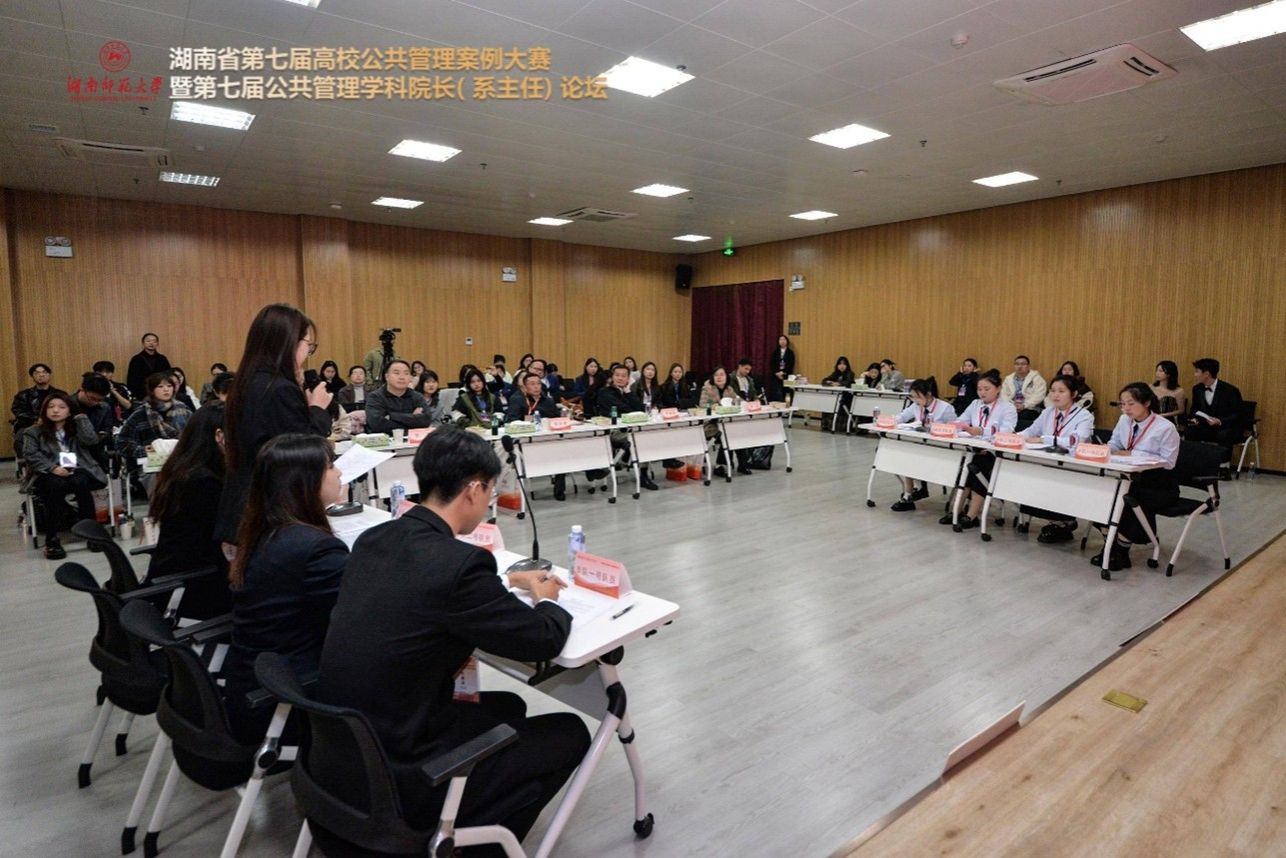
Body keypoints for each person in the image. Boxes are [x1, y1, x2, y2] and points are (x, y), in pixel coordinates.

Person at [316, 428, 590, 852]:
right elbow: (542, 639)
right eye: (490, 490)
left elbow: (423, 593)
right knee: (571, 731)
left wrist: (504, 581)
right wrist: (547, 599)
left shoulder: (376, 538)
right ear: (474, 489)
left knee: (508, 706)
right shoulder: (460, 564)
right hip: (405, 772)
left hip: (342, 753)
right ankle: (473, 846)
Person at [222, 434, 348, 743]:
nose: (340, 473)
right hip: (284, 702)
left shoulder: (265, 531)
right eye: (331, 466)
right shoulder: (314, 548)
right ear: (305, 481)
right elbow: (358, 615)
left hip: (251, 685)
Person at [215, 303, 333, 546]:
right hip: (267, 514)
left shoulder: (247, 383)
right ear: (288, 343)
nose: (308, 352)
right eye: (308, 343)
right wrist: (317, 410)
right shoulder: (278, 389)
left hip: (242, 505)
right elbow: (303, 451)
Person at [146, 403, 231, 619]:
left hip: (181, 574)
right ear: (220, 436)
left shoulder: (186, 469)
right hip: (193, 586)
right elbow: (229, 530)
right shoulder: (201, 482)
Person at [1096, 382, 1182, 571]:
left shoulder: (1165, 428)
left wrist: (1133, 454)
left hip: (1158, 484)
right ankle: (1111, 545)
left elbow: (1169, 462)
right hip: (1128, 478)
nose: (1126, 409)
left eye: (1131, 403)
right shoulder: (1124, 420)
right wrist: (1105, 449)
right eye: (1123, 404)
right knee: (1100, 493)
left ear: (1147, 403)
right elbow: (1115, 443)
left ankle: (1121, 549)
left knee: (1129, 499)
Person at [19, 393, 107, 559]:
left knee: (81, 481)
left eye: (61, 407)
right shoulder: (33, 432)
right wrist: (52, 468)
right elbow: (30, 454)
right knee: (57, 485)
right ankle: (52, 538)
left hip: (76, 469)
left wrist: (80, 417)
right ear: (44, 410)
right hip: (46, 472)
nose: (55, 411)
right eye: (51, 407)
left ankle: (92, 533)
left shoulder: (75, 428)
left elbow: (91, 440)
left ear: (69, 411)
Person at [1019, 375, 1097, 543]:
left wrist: (1045, 439)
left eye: (1061, 391)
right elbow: (1031, 431)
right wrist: (1015, 437)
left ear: (1073, 394)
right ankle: (1057, 522)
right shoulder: (1048, 412)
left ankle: (1063, 522)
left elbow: (1076, 441)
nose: (1056, 395)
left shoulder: (1084, 415)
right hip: (1047, 461)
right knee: (1030, 480)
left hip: (1072, 465)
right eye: (1053, 391)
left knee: (1054, 482)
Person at [943, 371, 1016, 529]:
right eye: (979, 389)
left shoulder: (1007, 407)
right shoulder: (975, 404)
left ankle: (972, 515)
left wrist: (982, 431)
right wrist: (954, 426)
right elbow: (962, 421)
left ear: (998, 388)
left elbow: (1007, 431)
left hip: (995, 454)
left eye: (986, 389)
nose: (982, 392)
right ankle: (956, 511)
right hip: (974, 449)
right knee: (964, 466)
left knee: (978, 467)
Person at [117, 372, 193, 493]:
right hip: (152, 463)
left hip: (180, 459)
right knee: (157, 480)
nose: (166, 389)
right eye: (160, 386)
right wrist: (145, 450)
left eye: (169, 386)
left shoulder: (184, 410)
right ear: (152, 391)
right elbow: (122, 442)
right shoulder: (141, 413)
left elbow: (196, 436)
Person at [889, 378, 957, 511]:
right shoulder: (916, 405)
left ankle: (917, 489)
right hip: (921, 445)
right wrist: (889, 421)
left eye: (918, 397)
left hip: (940, 448)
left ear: (929, 395)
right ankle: (910, 493)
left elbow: (955, 429)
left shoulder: (945, 408)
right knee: (906, 456)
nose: (915, 400)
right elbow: (902, 417)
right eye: (913, 397)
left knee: (912, 456)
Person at [599, 364, 658, 490]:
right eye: (617, 375)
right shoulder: (605, 393)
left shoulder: (627, 392)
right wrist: (633, 408)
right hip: (613, 432)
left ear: (628, 379)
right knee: (642, 439)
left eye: (623, 376)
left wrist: (629, 393)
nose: (620, 378)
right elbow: (624, 410)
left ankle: (642, 474)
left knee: (646, 436)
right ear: (612, 377)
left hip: (630, 430)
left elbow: (641, 409)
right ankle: (639, 472)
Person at [700, 367, 751, 475]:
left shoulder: (729, 389)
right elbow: (703, 404)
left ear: (726, 377)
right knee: (728, 433)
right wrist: (713, 406)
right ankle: (721, 465)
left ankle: (742, 464)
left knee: (738, 431)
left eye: (722, 374)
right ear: (713, 377)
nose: (719, 377)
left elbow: (738, 400)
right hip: (710, 424)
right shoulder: (707, 388)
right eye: (716, 375)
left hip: (726, 423)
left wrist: (745, 403)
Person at [1184, 358, 1243, 451]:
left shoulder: (1230, 390)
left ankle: (1223, 460)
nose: (1195, 375)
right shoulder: (1197, 389)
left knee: (1224, 435)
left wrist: (1220, 421)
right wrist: (1194, 418)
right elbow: (1194, 408)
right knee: (1190, 431)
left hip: (1225, 427)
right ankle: (1193, 458)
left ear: (1207, 374)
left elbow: (1238, 414)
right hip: (1205, 426)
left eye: (1197, 371)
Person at [366, 360, 435, 434]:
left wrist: (391, 416)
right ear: (387, 377)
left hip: (412, 439)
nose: (402, 377)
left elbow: (426, 421)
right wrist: (412, 418)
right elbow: (377, 425)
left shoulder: (417, 396)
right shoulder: (375, 397)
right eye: (397, 373)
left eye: (406, 373)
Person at [11, 363, 65, 436]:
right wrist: (36, 419)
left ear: (49, 375)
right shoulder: (23, 395)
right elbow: (19, 412)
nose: (41, 375)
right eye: (37, 373)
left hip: (55, 423)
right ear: (32, 377)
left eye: (44, 372)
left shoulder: (60, 394)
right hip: (30, 425)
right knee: (21, 434)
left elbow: (66, 410)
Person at [73, 374, 115, 465]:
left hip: (96, 454)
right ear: (82, 389)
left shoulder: (104, 407)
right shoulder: (66, 405)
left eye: (99, 400)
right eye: (92, 398)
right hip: (73, 454)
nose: (95, 403)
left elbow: (107, 432)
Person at [1001, 355, 1047, 429]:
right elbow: (1003, 395)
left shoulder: (1037, 379)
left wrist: (1024, 405)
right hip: (1011, 407)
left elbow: (1039, 395)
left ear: (1028, 366)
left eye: (1023, 364)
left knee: (1021, 418)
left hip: (1030, 408)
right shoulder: (1008, 379)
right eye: (1017, 364)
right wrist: (1012, 406)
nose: (1020, 366)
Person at [126, 333, 171, 399]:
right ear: (143, 343)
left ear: (157, 344)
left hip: (161, 392)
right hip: (141, 394)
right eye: (148, 341)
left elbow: (169, 375)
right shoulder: (136, 359)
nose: (151, 343)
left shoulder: (162, 359)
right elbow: (131, 379)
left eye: (154, 341)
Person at [767, 334, 795, 402]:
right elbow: (772, 364)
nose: (782, 341)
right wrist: (777, 373)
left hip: (787, 376)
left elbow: (791, 364)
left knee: (787, 392)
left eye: (784, 339)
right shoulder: (775, 352)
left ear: (787, 341)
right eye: (780, 340)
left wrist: (783, 373)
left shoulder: (790, 352)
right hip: (776, 376)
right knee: (776, 393)